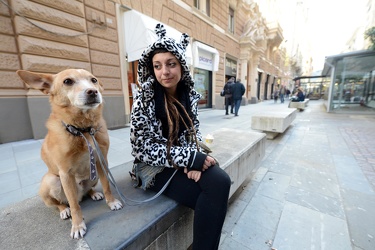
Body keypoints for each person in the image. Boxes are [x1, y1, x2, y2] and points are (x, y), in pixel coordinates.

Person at [130, 24, 231, 250]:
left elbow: (193, 131)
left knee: (219, 184)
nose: (164, 72)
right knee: (214, 196)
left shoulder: (189, 95)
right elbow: (141, 149)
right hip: (152, 168)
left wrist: (194, 158)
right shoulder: (144, 99)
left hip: (179, 160)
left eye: (171, 64)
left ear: (182, 66)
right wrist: (187, 159)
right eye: (157, 66)